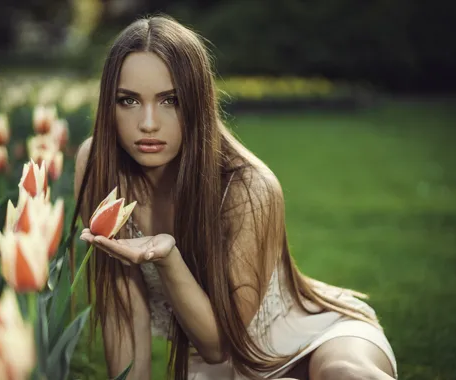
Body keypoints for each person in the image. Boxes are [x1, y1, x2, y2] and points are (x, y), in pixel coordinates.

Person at [72, 14, 398, 380]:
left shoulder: (249, 187)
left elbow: (220, 342)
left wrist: (167, 257)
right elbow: (123, 307)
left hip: (311, 333)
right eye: (128, 101)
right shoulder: (98, 166)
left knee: (346, 373)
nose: (148, 123)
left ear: (197, 102)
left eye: (171, 100)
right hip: (218, 368)